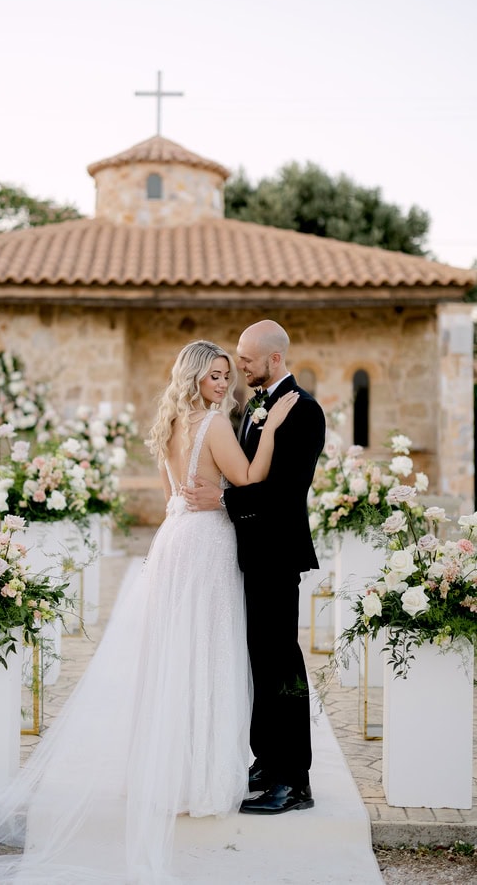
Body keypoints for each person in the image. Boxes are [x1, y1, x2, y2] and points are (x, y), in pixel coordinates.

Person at [0, 340, 298, 885]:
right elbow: (250, 480)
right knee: (206, 653)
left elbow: (175, 494)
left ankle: (173, 776)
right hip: (207, 545)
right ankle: (204, 781)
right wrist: (277, 424)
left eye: (226, 376)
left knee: (177, 653)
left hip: (172, 541)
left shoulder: (168, 425)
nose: (225, 385)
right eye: (215, 376)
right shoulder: (215, 424)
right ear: (194, 378)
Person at [184, 320, 326, 815]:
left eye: (247, 358)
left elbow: (287, 491)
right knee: (259, 666)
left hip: (277, 556)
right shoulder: (249, 409)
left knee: (282, 665)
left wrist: (223, 500)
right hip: (247, 555)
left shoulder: (304, 411)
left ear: (275, 359)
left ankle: (295, 780)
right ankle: (267, 762)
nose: (240, 365)